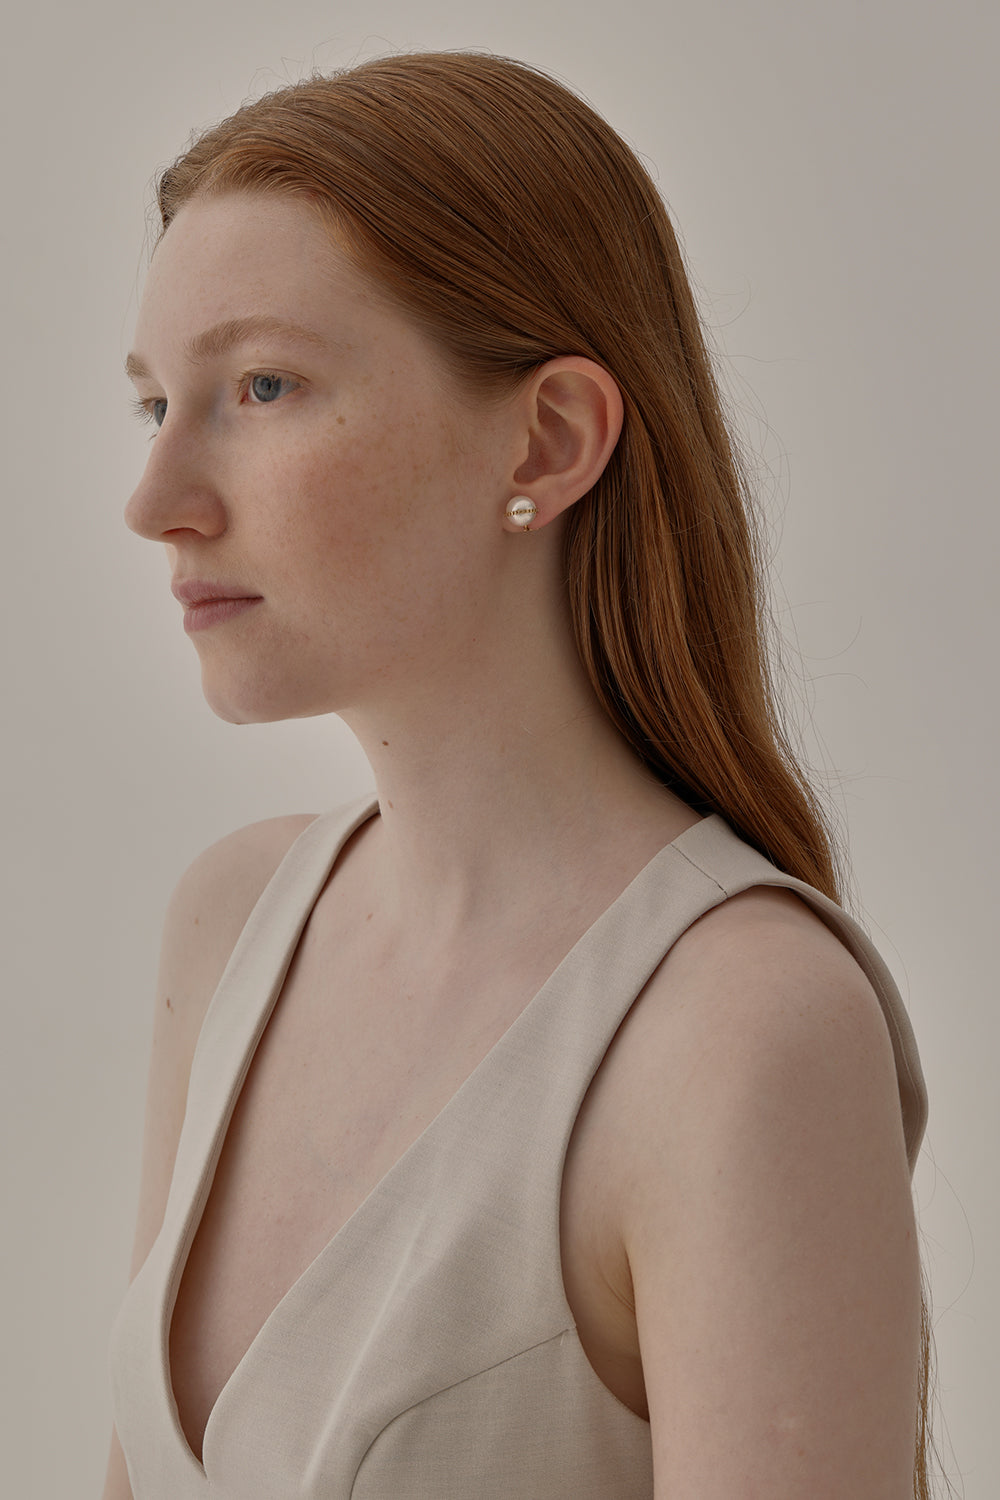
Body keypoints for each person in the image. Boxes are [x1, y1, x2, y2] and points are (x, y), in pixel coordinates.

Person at [103, 51, 931, 1499]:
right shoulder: (231, 925)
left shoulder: (740, 1031)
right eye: (154, 404)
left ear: (548, 439)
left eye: (262, 384)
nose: (156, 501)